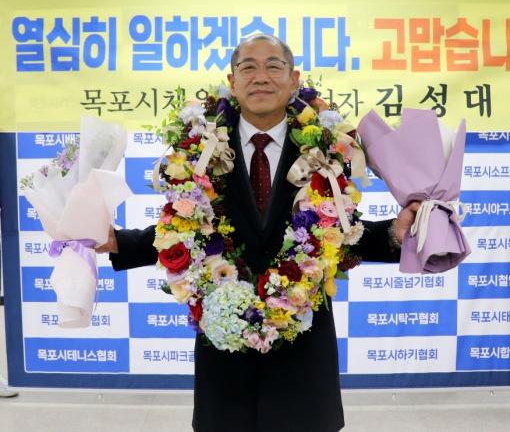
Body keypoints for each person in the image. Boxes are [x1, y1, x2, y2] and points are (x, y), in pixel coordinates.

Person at [97, 34, 420, 432]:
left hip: (303, 354)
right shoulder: (200, 150)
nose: (261, 77)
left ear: (294, 79)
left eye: (273, 66)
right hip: (225, 353)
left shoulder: (326, 150)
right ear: (232, 82)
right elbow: (182, 228)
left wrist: (394, 233)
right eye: (248, 67)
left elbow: (340, 232)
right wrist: (120, 242)